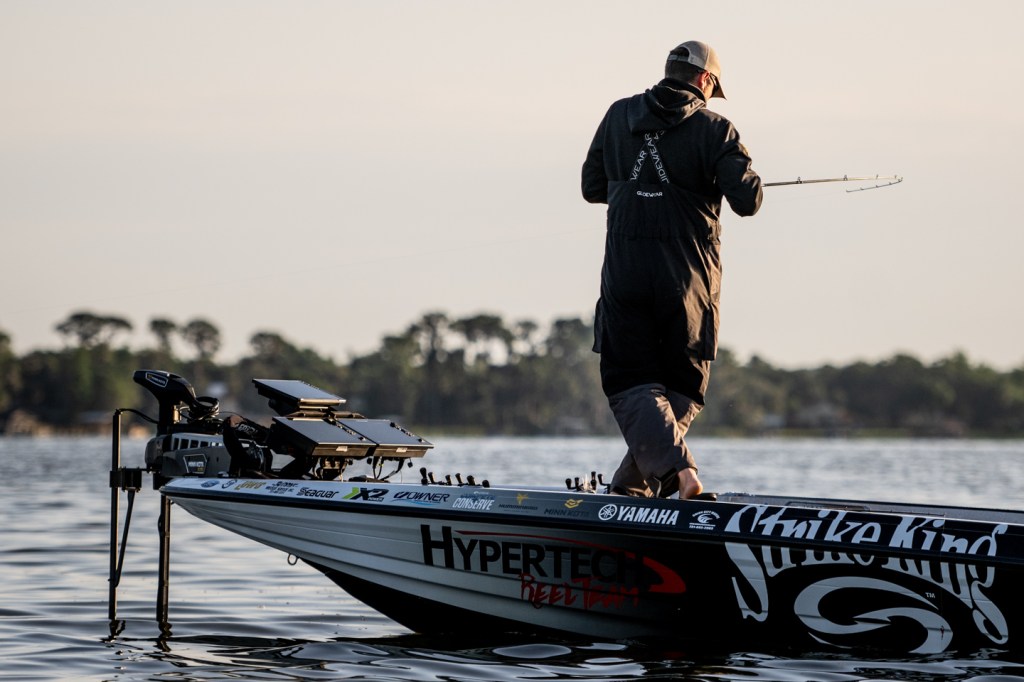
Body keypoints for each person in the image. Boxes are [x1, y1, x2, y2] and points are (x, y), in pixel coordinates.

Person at [581, 40, 762, 499]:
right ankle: (682, 475)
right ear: (706, 79)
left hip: (625, 275)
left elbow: (592, 186)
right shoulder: (716, 129)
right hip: (689, 283)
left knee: (631, 380)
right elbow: (748, 200)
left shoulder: (618, 115)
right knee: (683, 386)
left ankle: (629, 488)